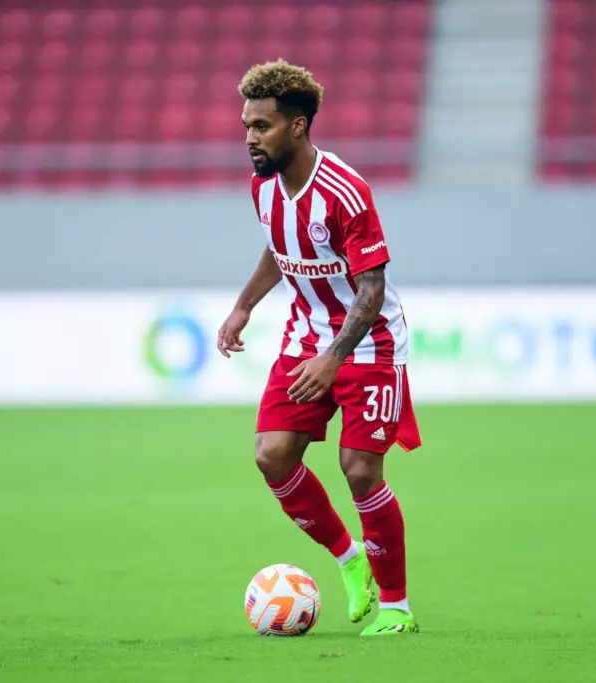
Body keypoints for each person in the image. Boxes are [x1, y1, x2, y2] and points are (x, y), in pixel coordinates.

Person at [217, 59, 422, 637]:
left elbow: (372, 289)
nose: (250, 138)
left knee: (359, 470)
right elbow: (277, 246)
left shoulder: (345, 192)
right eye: (247, 126)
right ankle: (350, 559)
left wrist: (334, 358)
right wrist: (244, 305)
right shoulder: (263, 185)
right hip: (304, 336)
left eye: (262, 126)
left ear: (298, 126)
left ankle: (397, 608)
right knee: (272, 454)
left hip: (370, 344)